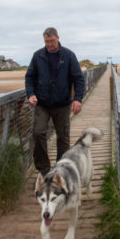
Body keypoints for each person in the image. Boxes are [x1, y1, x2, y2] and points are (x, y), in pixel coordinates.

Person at [25, 27, 85, 175]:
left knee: (63, 137)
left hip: (62, 104)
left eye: (52, 41)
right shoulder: (37, 56)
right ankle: (43, 169)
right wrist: (31, 94)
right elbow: (30, 77)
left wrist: (78, 99)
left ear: (58, 38)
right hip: (42, 104)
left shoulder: (69, 55)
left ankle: (61, 169)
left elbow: (78, 78)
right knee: (38, 133)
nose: (50, 44)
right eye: (47, 41)